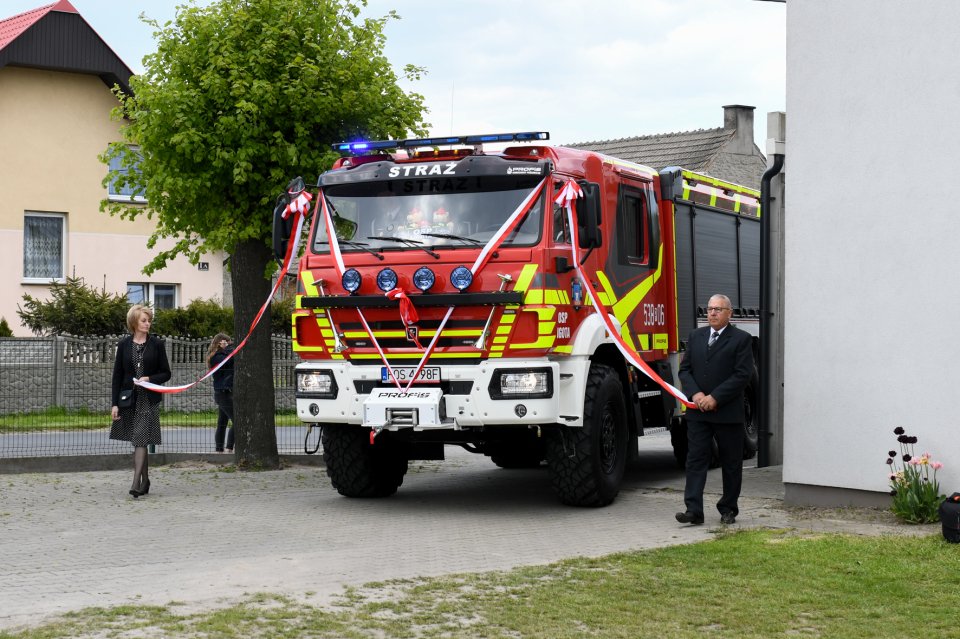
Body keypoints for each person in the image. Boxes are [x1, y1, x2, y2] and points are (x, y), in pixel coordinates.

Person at [675, 294, 753, 526]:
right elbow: (685, 370)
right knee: (695, 460)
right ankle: (693, 510)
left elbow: (742, 375)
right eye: (709, 309)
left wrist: (715, 398)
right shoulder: (696, 336)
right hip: (698, 412)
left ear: (729, 313)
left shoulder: (741, 339)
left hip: (727, 413)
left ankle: (728, 508)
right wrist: (696, 394)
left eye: (718, 309)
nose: (713, 313)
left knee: (731, 463)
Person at [110, 304, 171, 498]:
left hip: (148, 399)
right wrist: (114, 403)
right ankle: (145, 481)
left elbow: (166, 373)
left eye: (149, 320)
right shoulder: (124, 345)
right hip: (130, 399)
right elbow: (117, 376)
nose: (148, 323)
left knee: (140, 438)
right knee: (139, 440)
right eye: (144, 320)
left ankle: (136, 482)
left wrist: (149, 379)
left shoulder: (157, 345)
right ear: (134, 322)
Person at [206, 333, 235, 453]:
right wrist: (228, 349)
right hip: (222, 393)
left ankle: (219, 450)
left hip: (226, 392)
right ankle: (229, 448)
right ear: (219, 343)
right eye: (226, 342)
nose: (229, 344)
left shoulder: (223, 354)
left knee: (222, 423)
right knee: (237, 421)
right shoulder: (216, 356)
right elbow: (228, 361)